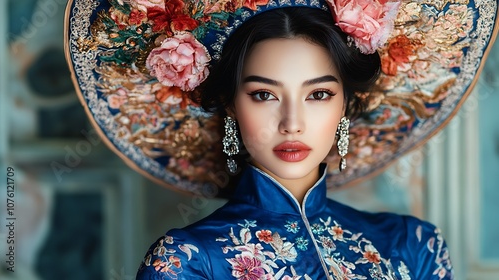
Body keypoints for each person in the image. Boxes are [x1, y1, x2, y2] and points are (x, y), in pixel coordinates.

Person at [64, 0, 498, 279]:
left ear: (345, 106)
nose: (292, 122)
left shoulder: (412, 247)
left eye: (319, 94)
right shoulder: (187, 262)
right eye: (265, 95)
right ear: (232, 105)